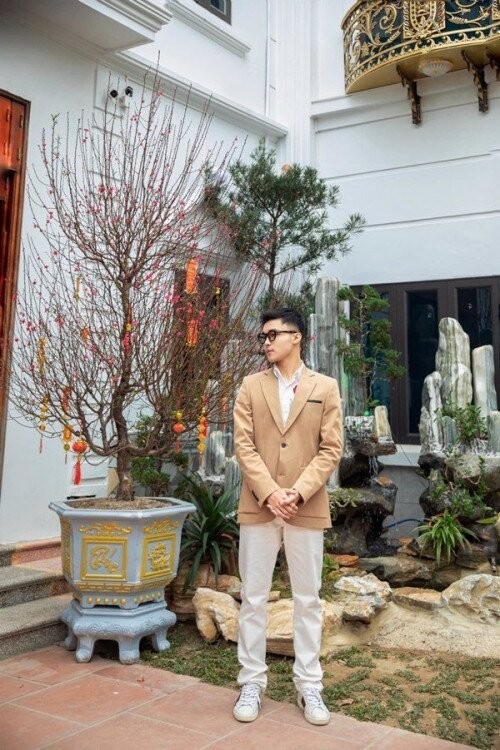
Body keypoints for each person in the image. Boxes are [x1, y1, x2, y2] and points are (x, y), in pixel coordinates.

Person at [232, 307, 343, 726]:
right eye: (262, 336)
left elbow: (331, 449)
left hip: (305, 506)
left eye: (273, 334)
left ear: (297, 337)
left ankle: (309, 685)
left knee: (308, 599)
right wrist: (271, 492)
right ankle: (251, 682)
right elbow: (244, 446)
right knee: (253, 598)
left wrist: (297, 492)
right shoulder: (250, 386)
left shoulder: (325, 387)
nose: (266, 342)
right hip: (258, 506)